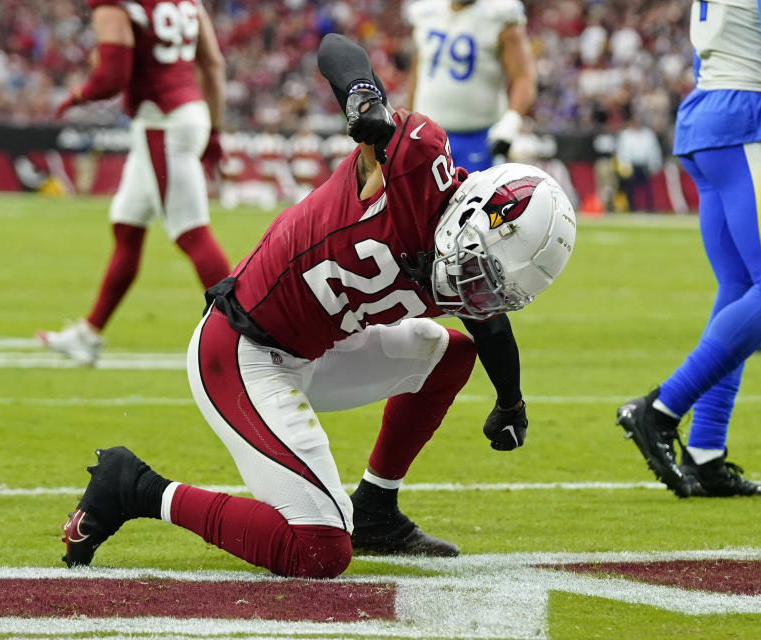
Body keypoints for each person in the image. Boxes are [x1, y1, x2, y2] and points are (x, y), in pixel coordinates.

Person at [60, 33, 576, 578]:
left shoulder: (466, 251)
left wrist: (511, 403)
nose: (478, 290)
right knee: (321, 550)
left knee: (449, 353)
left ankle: (375, 508)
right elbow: (337, 48)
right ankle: (136, 488)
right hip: (243, 352)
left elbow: (489, 328)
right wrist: (363, 99)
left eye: (495, 283)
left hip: (316, 349)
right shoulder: (412, 166)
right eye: (482, 270)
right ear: (470, 212)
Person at [616, 0, 761, 498]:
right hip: (748, 117)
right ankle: (659, 410)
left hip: (709, 116)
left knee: (740, 287)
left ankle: (706, 453)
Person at [38, 0, 231, 365]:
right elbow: (213, 63)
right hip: (182, 114)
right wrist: (215, 128)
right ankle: (89, 334)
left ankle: (252, 328)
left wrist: (78, 94)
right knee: (127, 228)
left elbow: (112, 77)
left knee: (193, 235)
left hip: (161, 120)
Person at [406, 0, 536, 172]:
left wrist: (511, 120)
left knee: (475, 197)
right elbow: (418, 75)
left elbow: (523, 76)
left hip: (479, 137)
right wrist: (408, 121)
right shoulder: (426, 13)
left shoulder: (499, 15)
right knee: (423, 197)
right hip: (425, 135)